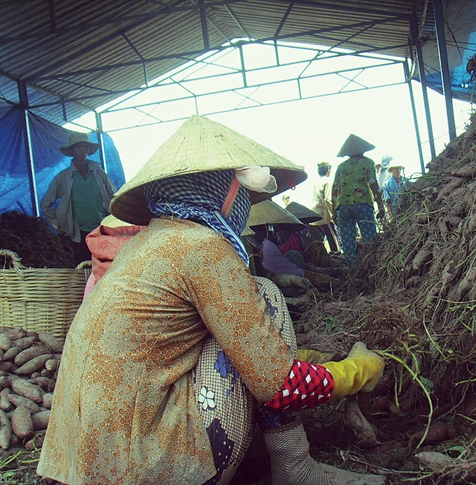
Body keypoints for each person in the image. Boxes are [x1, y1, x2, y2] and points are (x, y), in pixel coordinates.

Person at [37, 115, 385, 485]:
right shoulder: (204, 248)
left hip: (88, 467)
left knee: (239, 325)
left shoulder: (145, 244)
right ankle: (294, 465)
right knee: (263, 294)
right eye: (242, 193)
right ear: (224, 191)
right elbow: (280, 386)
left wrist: (306, 360)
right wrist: (355, 371)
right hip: (147, 468)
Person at [40, 132, 117, 265]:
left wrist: (114, 221)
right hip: (78, 233)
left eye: (85, 147)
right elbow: (46, 204)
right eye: (79, 147)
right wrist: (58, 226)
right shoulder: (63, 177)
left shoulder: (98, 172)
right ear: (72, 151)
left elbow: (114, 196)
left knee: (106, 265)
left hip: (101, 228)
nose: (83, 151)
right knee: (84, 266)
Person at [331, 134, 385, 266]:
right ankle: (372, 266)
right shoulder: (367, 162)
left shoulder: (341, 167)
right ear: (363, 149)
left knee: (348, 242)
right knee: (370, 239)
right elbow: (373, 183)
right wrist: (380, 205)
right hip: (362, 204)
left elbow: (334, 189)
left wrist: (334, 211)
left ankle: (353, 270)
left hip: (343, 207)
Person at [311, 161, 340, 252]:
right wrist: (334, 214)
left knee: (319, 243)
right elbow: (328, 200)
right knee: (334, 242)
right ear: (328, 169)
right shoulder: (328, 181)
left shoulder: (317, 182)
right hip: (325, 216)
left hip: (315, 216)